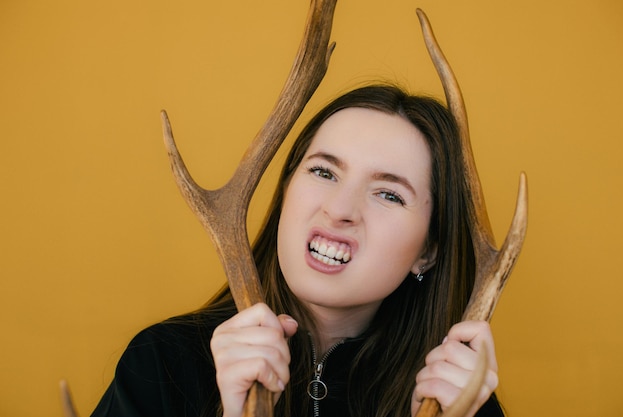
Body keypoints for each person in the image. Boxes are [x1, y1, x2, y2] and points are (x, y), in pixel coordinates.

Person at [91, 85, 503, 417]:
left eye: (389, 194)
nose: (339, 209)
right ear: (286, 191)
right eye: (323, 171)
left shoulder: (458, 398)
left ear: (428, 251)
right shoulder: (163, 362)